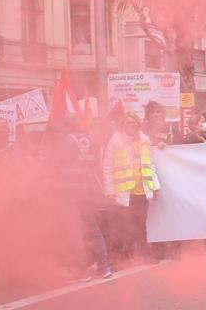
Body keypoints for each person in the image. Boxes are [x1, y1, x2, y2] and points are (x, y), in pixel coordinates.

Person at [51, 116, 111, 279]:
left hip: (70, 191)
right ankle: (104, 267)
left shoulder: (66, 141)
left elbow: (56, 164)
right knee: (92, 228)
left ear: (66, 125)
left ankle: (81, 270)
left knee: (74, 231)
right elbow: (97, 164)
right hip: (88, 190)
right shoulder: (91, 139)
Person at [102, 113, 160, 262]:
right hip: (124, 192)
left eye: (134, 123)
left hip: (141, 191)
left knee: (140, 225)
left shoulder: (145, 141)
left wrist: (155, 186)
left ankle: (144, 256)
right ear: (123, 125)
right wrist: (109, 191)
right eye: (128, 123)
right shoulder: (115, 141)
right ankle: (119, 258)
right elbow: (107, 167)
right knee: (121, 226)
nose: (132, 126)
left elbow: (150, 165)